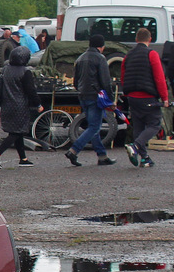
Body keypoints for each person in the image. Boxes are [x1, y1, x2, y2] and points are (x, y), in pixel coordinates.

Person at [119, 27, 169, 167]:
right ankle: (135, 147)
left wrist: (127, 93)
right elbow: (159, 78)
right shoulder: (151, 54)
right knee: (154, 125)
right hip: (147, 96)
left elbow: (123, 76)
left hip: (132, 97)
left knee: (138, 127)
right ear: (150, 39)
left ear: (136, 39)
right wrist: (165, 98)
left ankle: (145, 158)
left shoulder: (128, 56)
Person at [65, 34, 116, 166]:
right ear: (102, 46)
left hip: (82, 95)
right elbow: (106, 82)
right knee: (94, 127)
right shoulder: (100, 58)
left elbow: (76, 81)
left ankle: (102, 156)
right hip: (95, 96)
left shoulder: (80, 58)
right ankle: (73, 150)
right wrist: (110, 99)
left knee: (93, 127)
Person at [0, 45, 43, 168]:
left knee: (17, 131)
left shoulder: (6, 69)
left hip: (6, 104)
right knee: (17, 132)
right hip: (20, 105)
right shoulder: (25, 72)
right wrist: (38, 104)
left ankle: (23, 158)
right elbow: (31, 91)